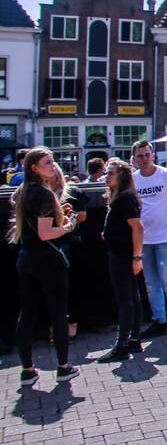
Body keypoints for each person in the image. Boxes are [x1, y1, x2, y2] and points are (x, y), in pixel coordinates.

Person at [8, 147, 80, 386]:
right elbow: (45, 232)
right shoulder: (44, 194)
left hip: (25, 259)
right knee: (58, 312)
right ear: (34, 168)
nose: (53, 165)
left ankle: (27, 370)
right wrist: (68, 226)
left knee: (26, 313)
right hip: (48, 260)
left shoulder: (21, 192)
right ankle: (63, 366)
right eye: (47, 162)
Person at [132, 140, 167, 341]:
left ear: (153, 155)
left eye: (147, 154)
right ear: (134, 159)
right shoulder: (133, 179)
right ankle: (159, 321)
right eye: (140, 156)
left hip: (166, 236)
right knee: (150, 282)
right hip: (144, 238)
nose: (144, 159)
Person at [97, 158, 144, 362]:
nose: (106, 177)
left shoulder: (125, 198)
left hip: (122, 255)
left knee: (125, 299)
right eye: (106, 173)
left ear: (122, 176)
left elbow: (137, 228)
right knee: (132, 296)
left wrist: (136, 257)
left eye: (111, 173)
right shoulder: (123, 197)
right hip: (122, 252)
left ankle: (122, 345)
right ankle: (133, 340)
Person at [46, 165, 88, 342]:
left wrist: (63, 217)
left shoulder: (72, 192)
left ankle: (71, 323)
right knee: (51, 288)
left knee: (70, 286)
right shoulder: (42, 194)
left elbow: (83, 216)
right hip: (48, 244)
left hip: (68, 243)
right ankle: (54, 323)